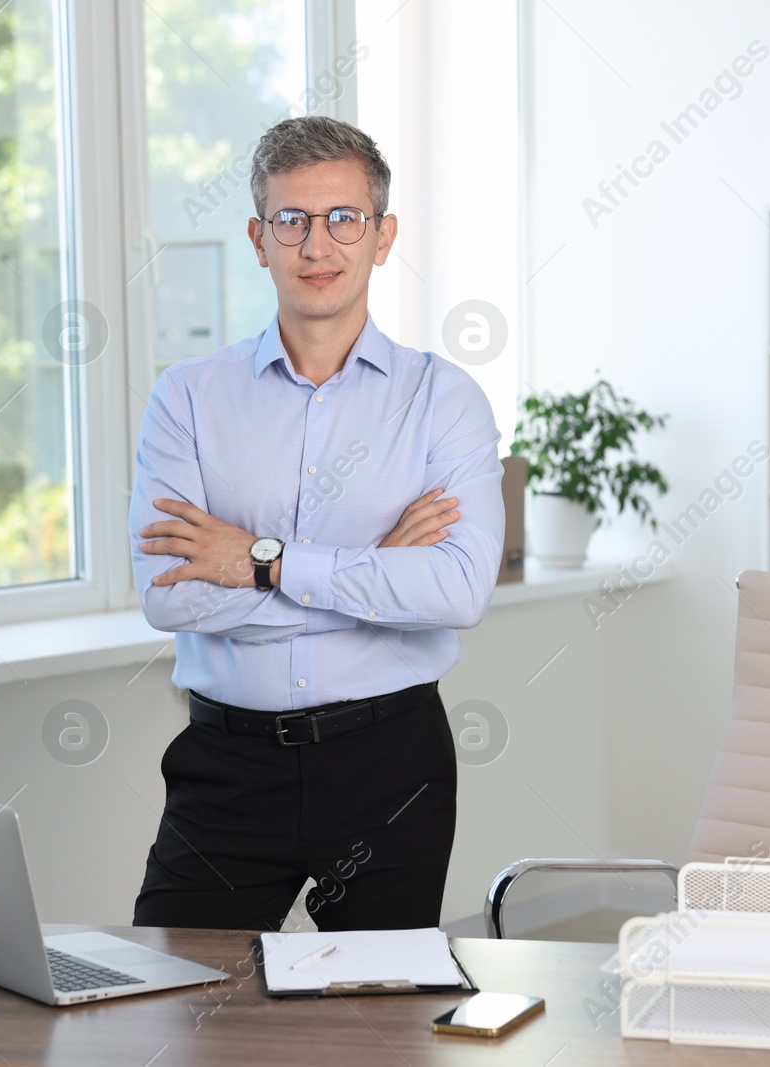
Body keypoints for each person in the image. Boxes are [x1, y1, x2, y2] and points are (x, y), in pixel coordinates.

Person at [128, 114, 504, 933]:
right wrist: (372, 571)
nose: (318, 245)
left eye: (344, 219)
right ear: (261, 239)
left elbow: (458, 588)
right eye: (292, 221)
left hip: (390, 765)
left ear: (382, 236)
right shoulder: (188, 397)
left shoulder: (444, 402)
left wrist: (257, 558)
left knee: (374, 1033)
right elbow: (171, 599)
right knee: (176, 1009)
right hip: (226, 769)